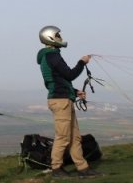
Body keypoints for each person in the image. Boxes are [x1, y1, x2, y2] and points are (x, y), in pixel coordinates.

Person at [36, 26, 96, 178]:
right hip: (60, 102)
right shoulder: (52, 56)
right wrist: (82, 62)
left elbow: (58, 80)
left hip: (63, 99)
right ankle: (56, 168)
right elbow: (70, 75)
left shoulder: (50, 56)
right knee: (63, 137)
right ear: (50, 38)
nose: (61, 38)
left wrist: (75, 92)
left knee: (75, 137)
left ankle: (83, 168)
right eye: (58, 36)